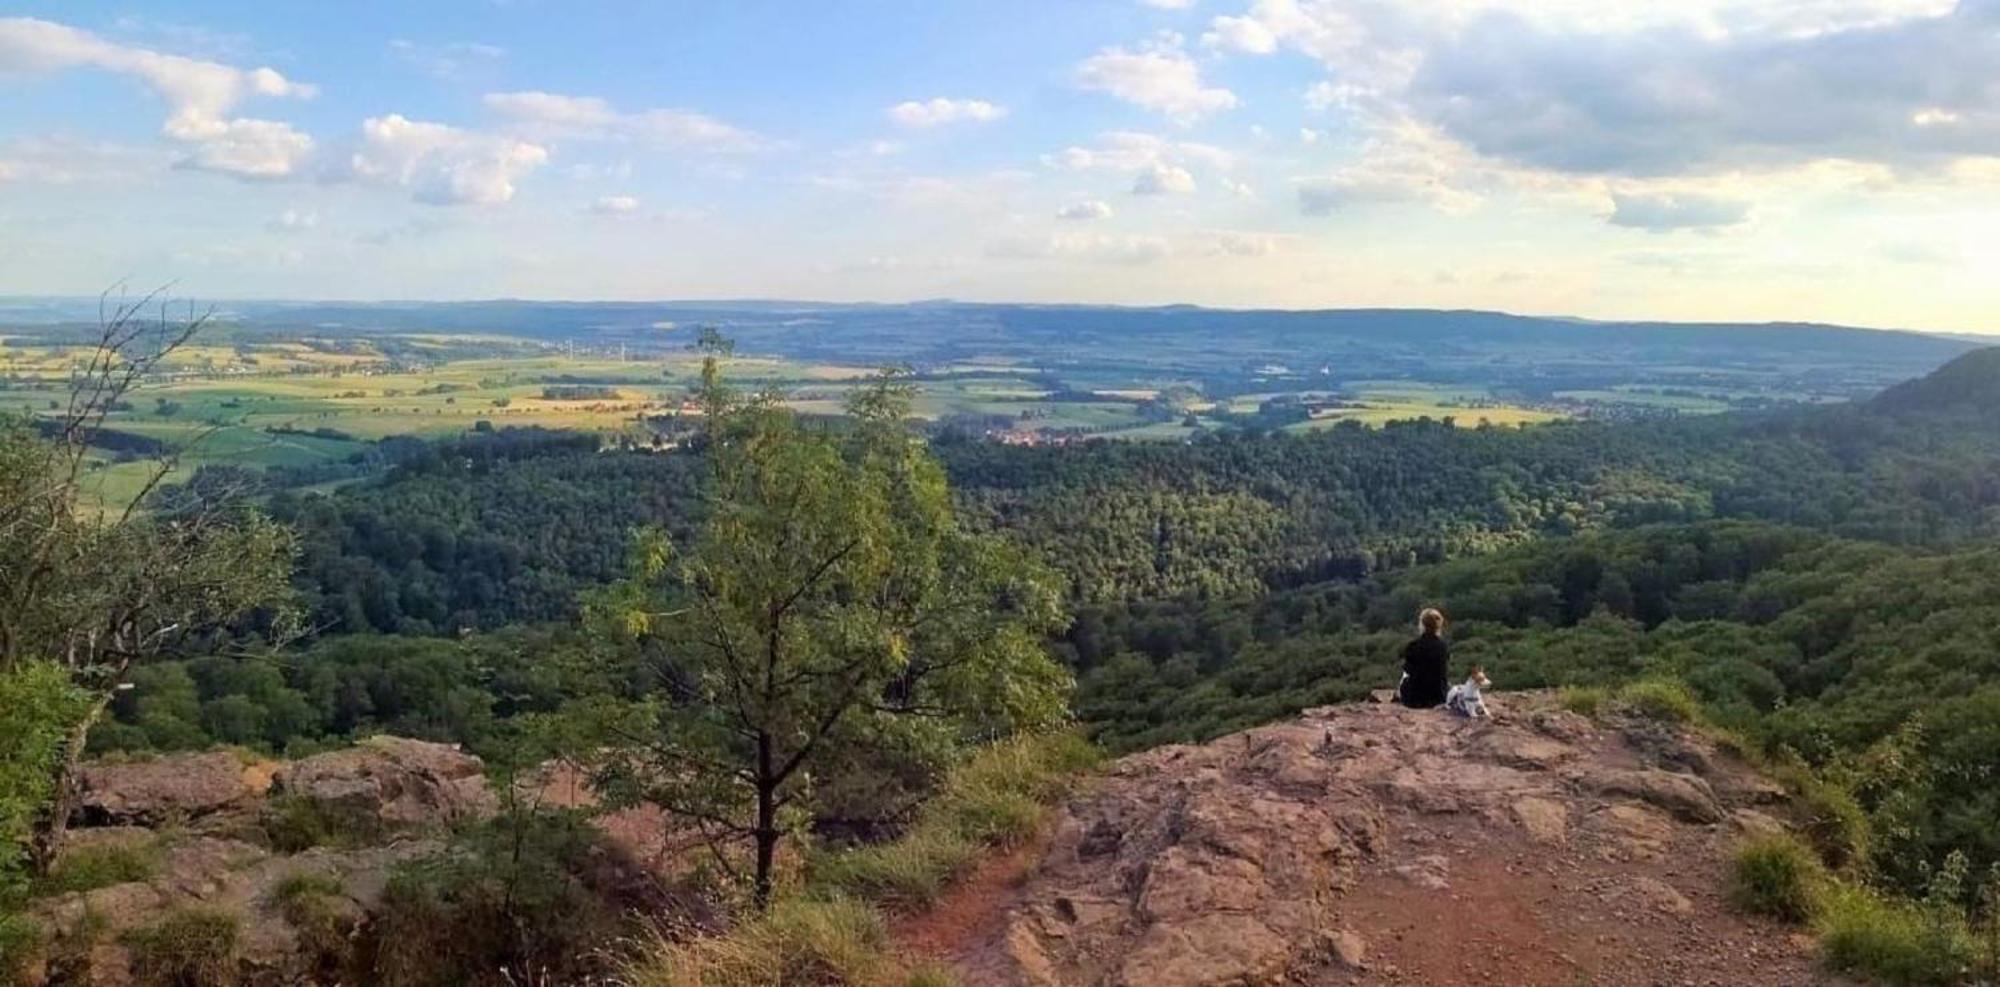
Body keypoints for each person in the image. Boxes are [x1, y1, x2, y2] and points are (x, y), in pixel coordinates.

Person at [1397, 608, 1451, 709]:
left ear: (1422, 624)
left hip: (1413, 699)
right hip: (1438, 698)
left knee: (1405, 676)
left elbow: (1407, 669)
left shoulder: (1413, 646)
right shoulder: (1443, 646)